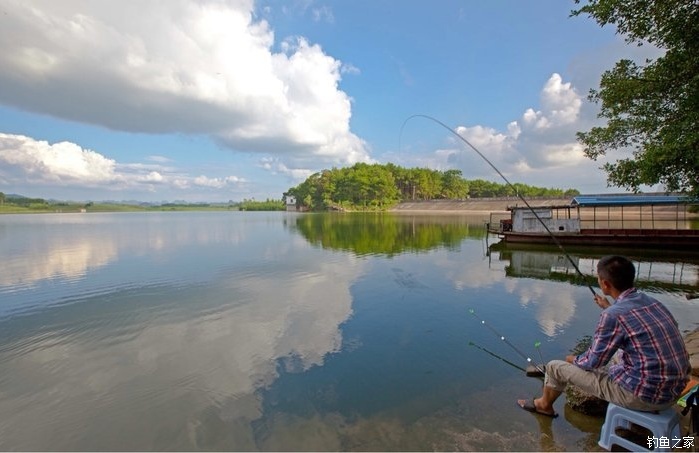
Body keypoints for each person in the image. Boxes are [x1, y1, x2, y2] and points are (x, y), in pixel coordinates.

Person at [517, 255, 691, 417]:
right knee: (614, 353)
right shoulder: (652, 302)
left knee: (556, 366)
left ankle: (543, 405)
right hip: (675, 390)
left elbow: (593, 362)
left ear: (605, 285)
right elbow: (632, 324)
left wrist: (573, 359)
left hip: (645, 397)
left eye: (599, 279)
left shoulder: (613, 315)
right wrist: (608, 307)